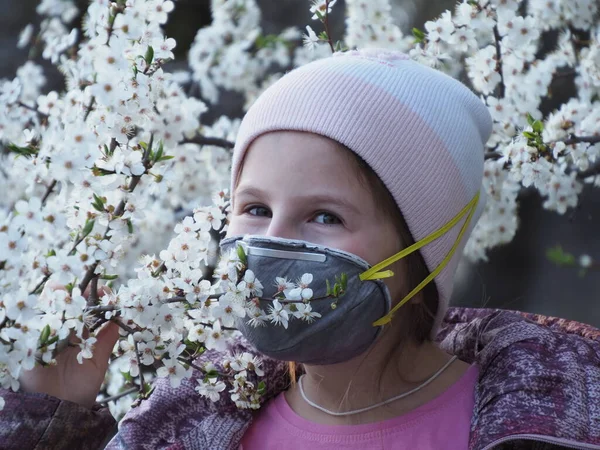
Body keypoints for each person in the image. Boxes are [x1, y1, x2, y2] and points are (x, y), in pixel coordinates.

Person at [2, 49, 600, 450]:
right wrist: (52, 417)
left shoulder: (545, 421)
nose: (272, 244)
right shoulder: (182, 424)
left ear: (422, 253)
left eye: (324, 215)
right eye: (255, 209)